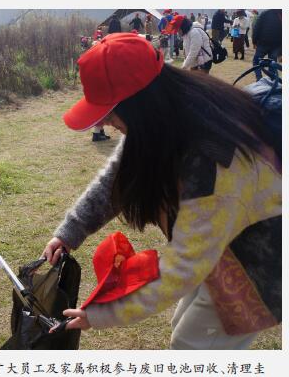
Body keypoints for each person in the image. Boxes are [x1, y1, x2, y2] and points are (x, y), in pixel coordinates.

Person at [44, 33, 280, 349]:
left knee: (191, 346)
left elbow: (181, 268)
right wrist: (70, 231)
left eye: (111, 113)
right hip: (220, 242)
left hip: (257, 266)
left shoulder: (212, 162)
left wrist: (100, 314)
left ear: (140, 105)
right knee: (183, 327)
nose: (109, 124)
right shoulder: (172, 111)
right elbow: (115, 177)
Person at [252, 9, 282, 80]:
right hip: (276, 44)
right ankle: (271, 80)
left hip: (263, 42)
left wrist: (254, 41)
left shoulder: (265, 13)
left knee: (256, 61)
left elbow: (257, 27)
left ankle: (259, 79)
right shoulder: (281, 14)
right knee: (272, 63)